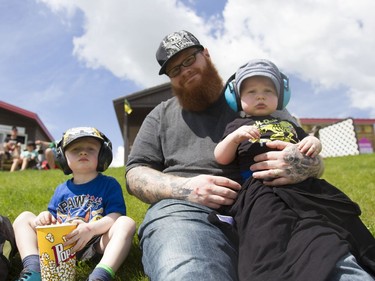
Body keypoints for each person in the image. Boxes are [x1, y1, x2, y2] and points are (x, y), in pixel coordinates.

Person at [125, 30, 323, 281]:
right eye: (175, 69)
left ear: (206, 54)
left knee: (327, 264)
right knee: (190, 271)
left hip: (274, 203)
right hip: (188, 213)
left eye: (189, 59)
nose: (184, 70)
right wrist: (185, 188)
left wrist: (305, 165)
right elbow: (135, 172)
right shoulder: (160, 115)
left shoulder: (254, 97)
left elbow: (310, 155)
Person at [213, 59, 375, 280]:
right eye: (251, 91)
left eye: (268, 91)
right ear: (237, 99)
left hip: (304, 186)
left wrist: (315, 144)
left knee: (336, 221)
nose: (260, 96)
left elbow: (310, 142)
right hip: (261, 188)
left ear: (280, 97)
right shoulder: (236, 127)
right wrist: (233, 139)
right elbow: (220, 157)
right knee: (270, 235)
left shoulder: (290, 125)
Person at [13, 127, 136, 281]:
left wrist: (91, 229)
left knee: (126, 223)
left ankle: (100, 276)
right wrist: (45, 216)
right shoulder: (61, 189)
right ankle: (34, 269)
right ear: (63, 157)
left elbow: (116, 216)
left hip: (95, 243)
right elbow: (52, 218)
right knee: (24, 217)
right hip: (60, 245)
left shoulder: (109, 184)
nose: (83, 152)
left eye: (90, 149)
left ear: (102, 155)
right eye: (75, 149)